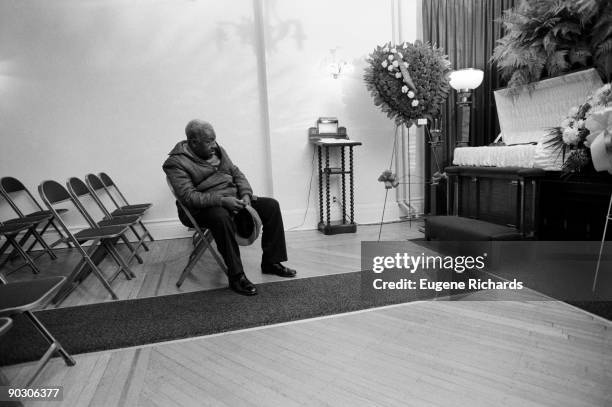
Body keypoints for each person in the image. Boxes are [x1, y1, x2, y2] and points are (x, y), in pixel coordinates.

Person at [163, 119, 296, 296]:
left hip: (233, 199)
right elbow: (189, 197)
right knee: (220, 216)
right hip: (200, 209)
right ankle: (236, 276)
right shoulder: (175, 163)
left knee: (271, 206)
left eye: (214, 139)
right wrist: (222, 201)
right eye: (208, 141)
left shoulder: (218, 150)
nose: (213, 145)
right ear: (193, 142)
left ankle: (271, 262)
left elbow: (236, 173)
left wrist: (246, 194)